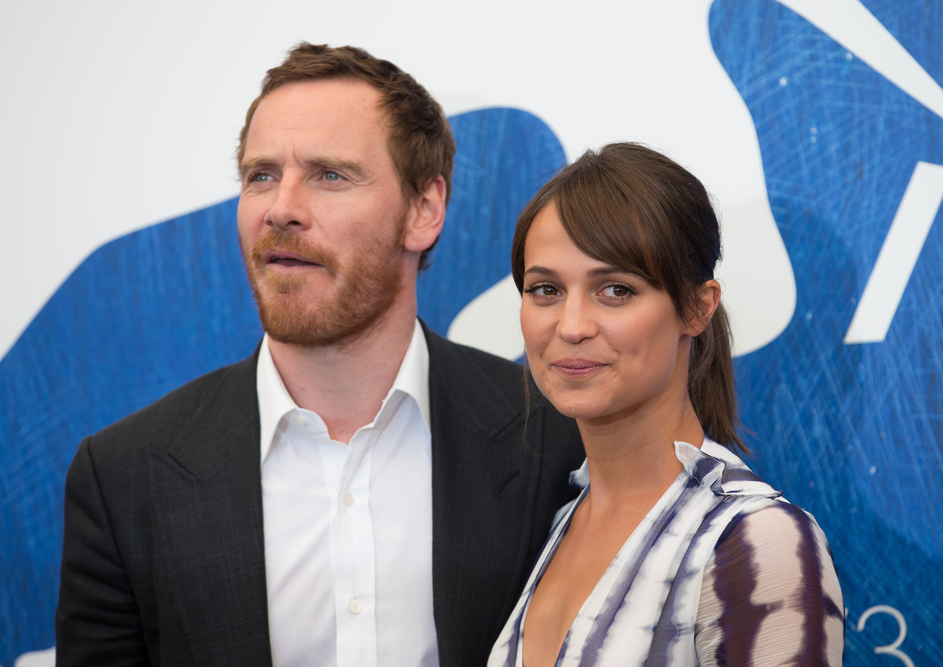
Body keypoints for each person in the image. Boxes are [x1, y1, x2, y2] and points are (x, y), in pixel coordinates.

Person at [55, 43, 584, 667]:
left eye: (329, 174)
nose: (281, 208)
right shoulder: (123, 476)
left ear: (424, 210)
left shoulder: (556, 441)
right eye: (261, 176)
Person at [489, 143, 845, 667]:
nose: (570, 326)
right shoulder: (556, 521)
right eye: (545, 289)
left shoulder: (754, 541)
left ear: (697, 308)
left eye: (615, 289)